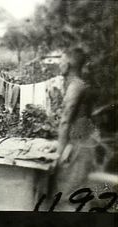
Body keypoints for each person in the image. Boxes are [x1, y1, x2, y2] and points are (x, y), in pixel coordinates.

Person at [50, 47, 99, 211]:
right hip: (81, 142)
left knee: (67, 196)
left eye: (62, 60)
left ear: (69, 63)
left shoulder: (75, 86)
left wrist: (59, 152)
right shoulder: (77, 84)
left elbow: (66, 119)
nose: (59, 64)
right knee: (74, 195)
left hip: (81, 144)